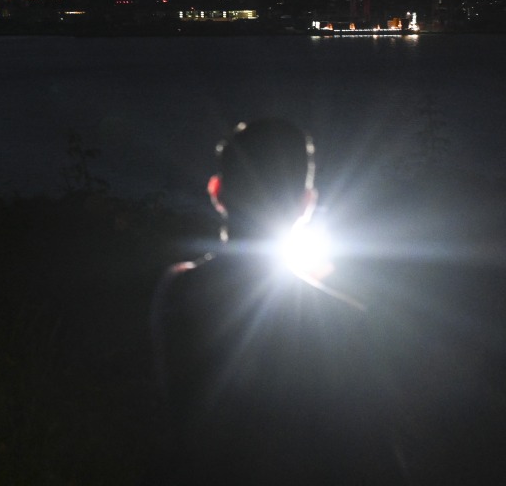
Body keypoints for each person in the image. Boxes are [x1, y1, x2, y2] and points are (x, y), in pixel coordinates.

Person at [150, 119, 405, 484]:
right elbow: (373, 454)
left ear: (217, 191)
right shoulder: (346, 322)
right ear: (307, 203)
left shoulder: (177, 291)